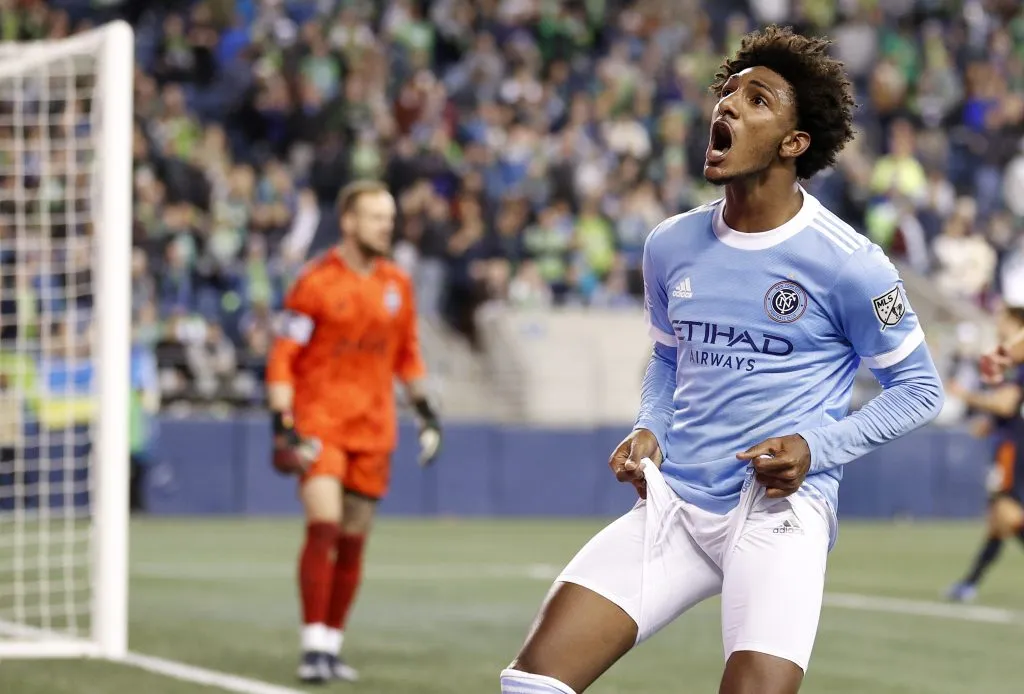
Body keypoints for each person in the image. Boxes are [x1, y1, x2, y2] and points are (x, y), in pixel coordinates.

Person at [500, 26, 944, 694]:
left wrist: (815, 448)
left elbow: (919, 389)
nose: (727, 107)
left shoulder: (851, 264)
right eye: (727, 94)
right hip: (674, 505)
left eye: (756, 99)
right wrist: (651, 424)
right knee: (532, 684)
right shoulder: (669, 245)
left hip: (776, 514)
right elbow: (668, 357)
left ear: (794, 144)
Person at [266, 180, 442, 684]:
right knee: (324, 523)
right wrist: (282, 421)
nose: (387, 225)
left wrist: (426, 411)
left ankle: (331, 644)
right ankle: (311, 644)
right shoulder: (315, 281)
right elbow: (284, 355)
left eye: (389, 217)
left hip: (375, 427)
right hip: (320, 422)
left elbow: (407, 354)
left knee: (354, 537)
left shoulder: (397, 283)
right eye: (376, 217)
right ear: (348, 222)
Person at [946, 306, 1024, 602]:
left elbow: (1006, 405)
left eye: (1005, 321)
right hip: (1011, 444)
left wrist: (965, 396)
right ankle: (970, 583)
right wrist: (992, 423)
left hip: (1013, 451)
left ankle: (969, 583)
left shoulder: (1018, 365)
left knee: (1005, 513)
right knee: (999, 519)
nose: (999, 326)